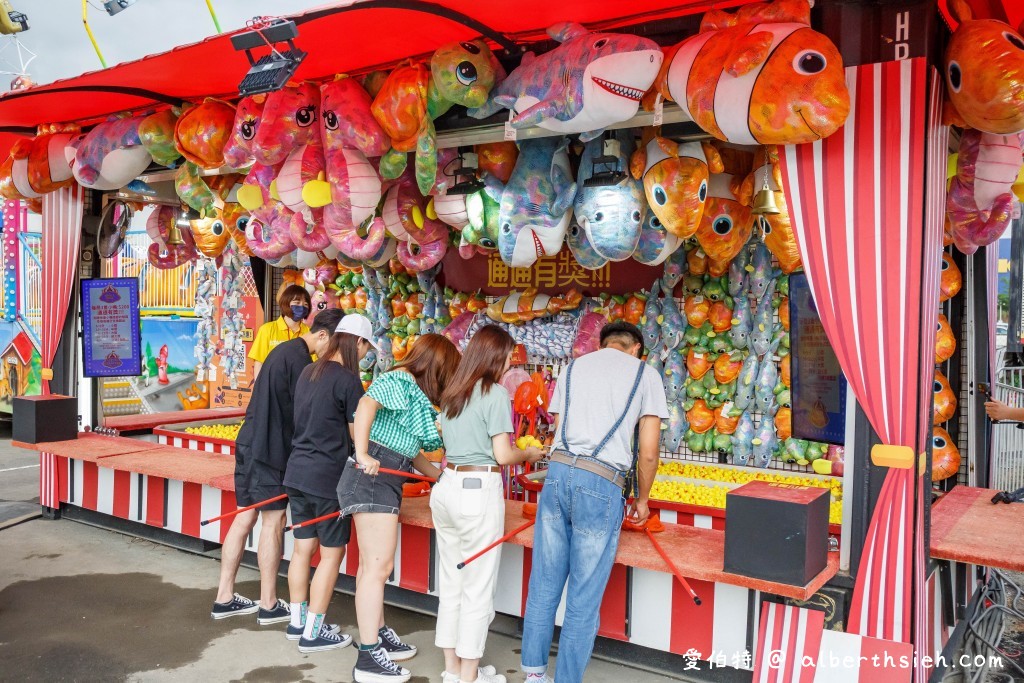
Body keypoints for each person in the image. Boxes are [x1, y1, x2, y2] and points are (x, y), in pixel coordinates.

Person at [521, 321, 668, 683]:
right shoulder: (645, 374)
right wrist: (644, 499)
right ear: (636, 348)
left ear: (602, 345)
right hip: (600, 482)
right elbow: (648, 453)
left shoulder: (572, 368)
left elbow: (558, 428)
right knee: (583, 597)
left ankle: (533, 675)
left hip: (556, 476)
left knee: (544, 583)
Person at [338, 333, 462, 683]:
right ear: (436, 366)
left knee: (371, 568)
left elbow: (410, 452)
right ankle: (368, 656)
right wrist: (362, 454)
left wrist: (441, 477)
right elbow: (366, 406)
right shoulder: (398, 379)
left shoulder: (410, 391)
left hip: (383, 475)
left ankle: (377, 635)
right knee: (378, 569)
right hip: (371, 474)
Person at [211, 308, 342, 624]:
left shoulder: (286, 351)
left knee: (244, 516)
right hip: (268, 450)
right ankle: (269, 603)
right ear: (322, 335)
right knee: (273, 520)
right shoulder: (299, 361)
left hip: (250, 441)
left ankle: (224, 597)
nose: (336, 354)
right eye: (336, 345)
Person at [433, 326, 545, 683]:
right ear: (494, 357)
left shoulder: (453, 390)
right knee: (478, 586)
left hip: (447, 485)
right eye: (508, 355)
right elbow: (501, 454)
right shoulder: (494, 393)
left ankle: (453, 670)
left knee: (452, 581)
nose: (510, 362)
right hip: (477, 489)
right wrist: (528, 452)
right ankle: (468, 677)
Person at [283, 314, 376, 653]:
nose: (366, 354)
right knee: (331, 555)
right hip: (326, 480)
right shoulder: (349, 381)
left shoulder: (310, 370)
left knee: (302, 549)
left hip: (297, 473)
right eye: (366, 347)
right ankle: (314, 632)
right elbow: (357, 436)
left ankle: (298, 622)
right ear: (357, 342)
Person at [250, 284, 312, 380]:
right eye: (297, 302)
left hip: (299, 386)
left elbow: (313, 364)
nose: (302, 307)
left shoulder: (309, 332)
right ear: (285, 303)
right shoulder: (267, 329)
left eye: (305, 304)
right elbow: (259, 362)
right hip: (273, 385)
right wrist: (259, 390)